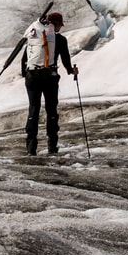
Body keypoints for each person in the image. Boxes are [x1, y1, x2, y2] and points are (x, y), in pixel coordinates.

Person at [18, 11, 78, 156]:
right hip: (49, 77)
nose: (60, 28)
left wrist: (27, 75)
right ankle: (52, 146)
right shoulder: (60, 40)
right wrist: (71, 71)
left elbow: (24, 59)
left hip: (32, 76)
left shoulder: (35, 36)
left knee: (34, 109)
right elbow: (65, 59)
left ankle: (31, 146)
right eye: (60, 25)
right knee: (51, 110)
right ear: (56, 24)